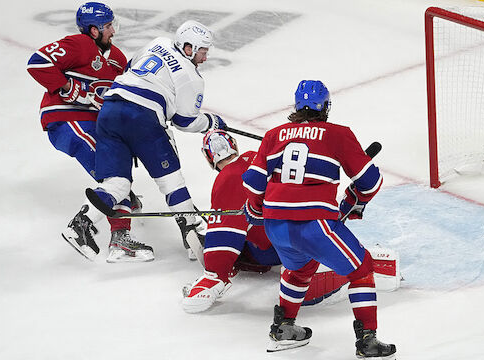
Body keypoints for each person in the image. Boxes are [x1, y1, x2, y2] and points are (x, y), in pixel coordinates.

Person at [241, 80, 396, 358]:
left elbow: (253, 185)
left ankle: (284, 328)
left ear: (297, 107)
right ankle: (368, 341)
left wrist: (256, 208)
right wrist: (351, 204)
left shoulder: (274, 134)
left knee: (300, 269)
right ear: (325, 107)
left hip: (276, 228)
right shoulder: (338, 134)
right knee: (362, 268)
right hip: (314, 225)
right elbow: (370, 182)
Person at [62, 19, 228, 263]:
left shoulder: (158, 42)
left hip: (110, 111)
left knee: (117, 184)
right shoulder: (192, 78)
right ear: (189, 47)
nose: (205, 57)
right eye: (202, 51)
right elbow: (184, 121)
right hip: (142, 118)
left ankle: (79, 225)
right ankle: (191, 233)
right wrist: (212, 122)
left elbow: (129, 68)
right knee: (171, 181)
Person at [27, 2, 149, 263]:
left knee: (118, 173)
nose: (113, 31)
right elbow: (37, 63)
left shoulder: (117, 58)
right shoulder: (78, 44)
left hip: (95, 124)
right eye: (107, 26)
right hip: (67, 118)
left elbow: (124, 96)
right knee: (115, 175)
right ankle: (90, 229)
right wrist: (66, 87)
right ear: (93, 30)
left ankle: (120, 227)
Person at [182, 130, 351, 313]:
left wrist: (214, 274)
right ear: (235, 146)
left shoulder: (227, 178)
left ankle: (233, 261)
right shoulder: (263, 158)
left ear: (209, 158)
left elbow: (226, 229)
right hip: (315, 231)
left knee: (241, 232)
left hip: (276, 250)